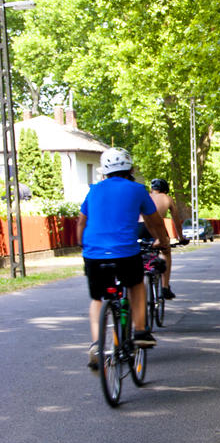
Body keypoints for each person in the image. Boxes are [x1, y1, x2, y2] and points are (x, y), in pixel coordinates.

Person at [77, 147, 170, 370]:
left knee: (98, 298)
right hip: (125, 252)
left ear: (104, 171)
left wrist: (84, 246)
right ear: (130, 168)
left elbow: (81, 223)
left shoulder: (94, 191)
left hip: (93, 253)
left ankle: (97, 345)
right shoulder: (137, 190)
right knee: (136, 285)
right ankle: (139, 331)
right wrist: (162, 241)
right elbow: (153, 222)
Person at [138, 177, 187, 299]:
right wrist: (181, 238)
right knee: (166, 251)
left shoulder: (144, 196)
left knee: (139, 251)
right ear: (165, 190)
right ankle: (165, 287)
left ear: (152, 189)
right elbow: (176, 220)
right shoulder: (167, 198)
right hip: (156, 227)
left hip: (138, 227)